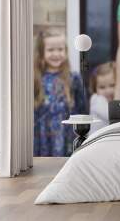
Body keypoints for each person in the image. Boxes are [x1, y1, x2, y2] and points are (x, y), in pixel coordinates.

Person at [34, 28, 86, 157]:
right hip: (42, 136)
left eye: (60, 49)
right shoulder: (35, 78)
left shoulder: (74, 78)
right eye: (51, 50)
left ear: (66, 51)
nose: (56, 54)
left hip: (67, 135)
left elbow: (82, 108)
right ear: (41, 53)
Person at [89, 61, 115, 134]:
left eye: (112, 85)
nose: (108, 91)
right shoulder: (96, 99)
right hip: (97, 141)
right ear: (95, 88)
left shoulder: (113, 99)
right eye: (102, 87)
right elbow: (110, 116)